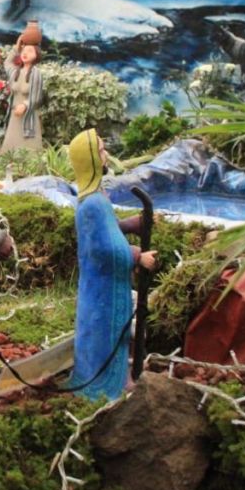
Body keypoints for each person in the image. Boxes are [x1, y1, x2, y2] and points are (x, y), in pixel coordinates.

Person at [68, 129, 156, 401]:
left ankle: (118, 376)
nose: (106, 155)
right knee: (105, 334)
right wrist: (137, 256)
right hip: (102, 290)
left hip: (106, 287)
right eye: (101, 151)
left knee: (116, 332)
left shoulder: (97, 198)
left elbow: (109, 230)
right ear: (91, 159)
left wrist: (132, 225)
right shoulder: (92, 204)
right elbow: (104, 249)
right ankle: (105, 385)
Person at [1, 20, 44, 153]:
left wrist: (25, 105)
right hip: (15, 116)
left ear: (36, 54)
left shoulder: (36, 73)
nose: (25, 54)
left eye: (30, 51)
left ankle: (31, 164)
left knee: (28, 147)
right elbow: (7, 63)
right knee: (11, 145)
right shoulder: (16, 72)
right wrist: (16, 47)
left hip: (28, 116)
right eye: (24, 51)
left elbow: (37, 97)